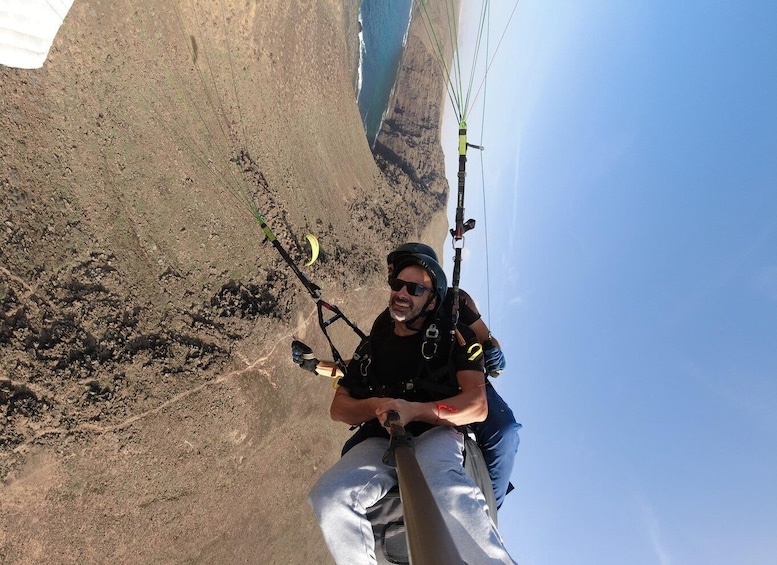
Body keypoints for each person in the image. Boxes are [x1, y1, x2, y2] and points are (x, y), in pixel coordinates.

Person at [299, 249, 515, 564]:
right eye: (397, 283)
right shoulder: (378, 338)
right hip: (382, 434)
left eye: (414, 288)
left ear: (431, 299)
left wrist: (415, 411)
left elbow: (477, 405)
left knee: (443, 491)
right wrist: (374, 405)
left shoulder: (456, 331)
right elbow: (344, 396)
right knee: (329, 498)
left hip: (438, 428)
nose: (401, 292)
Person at [383, 242, 521, 509]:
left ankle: (490, 506)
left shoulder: (457, 300)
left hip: (463, 377)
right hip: (419, 382)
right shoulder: (397, 311)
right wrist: (319, 365)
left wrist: (494, 354)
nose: (394, 279)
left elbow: (487, 339)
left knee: (504, 432)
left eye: (397, 267)